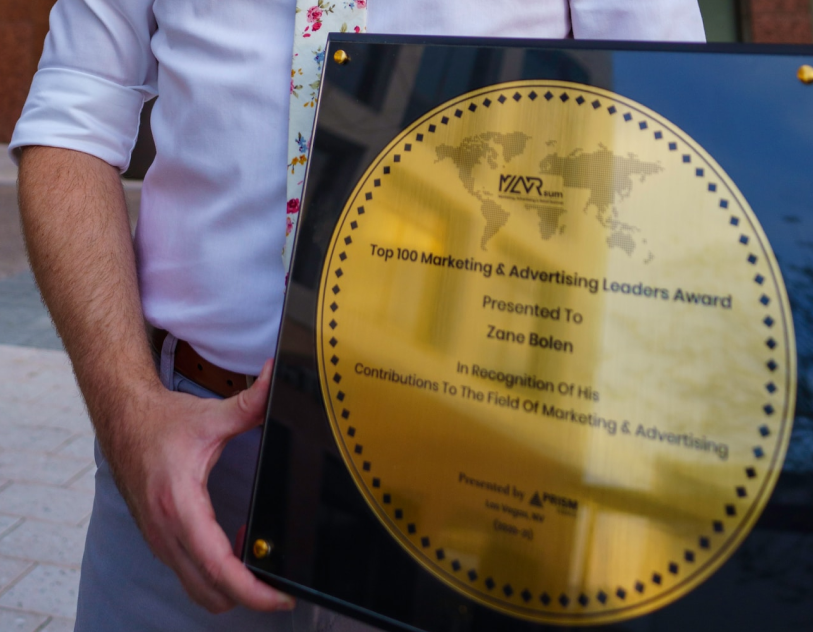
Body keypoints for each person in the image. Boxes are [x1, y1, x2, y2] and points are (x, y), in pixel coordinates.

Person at [11, 1, 706, 630]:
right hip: (188, 463)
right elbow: (73, 115)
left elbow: (666, 124)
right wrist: (131, 419)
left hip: (479, 475)